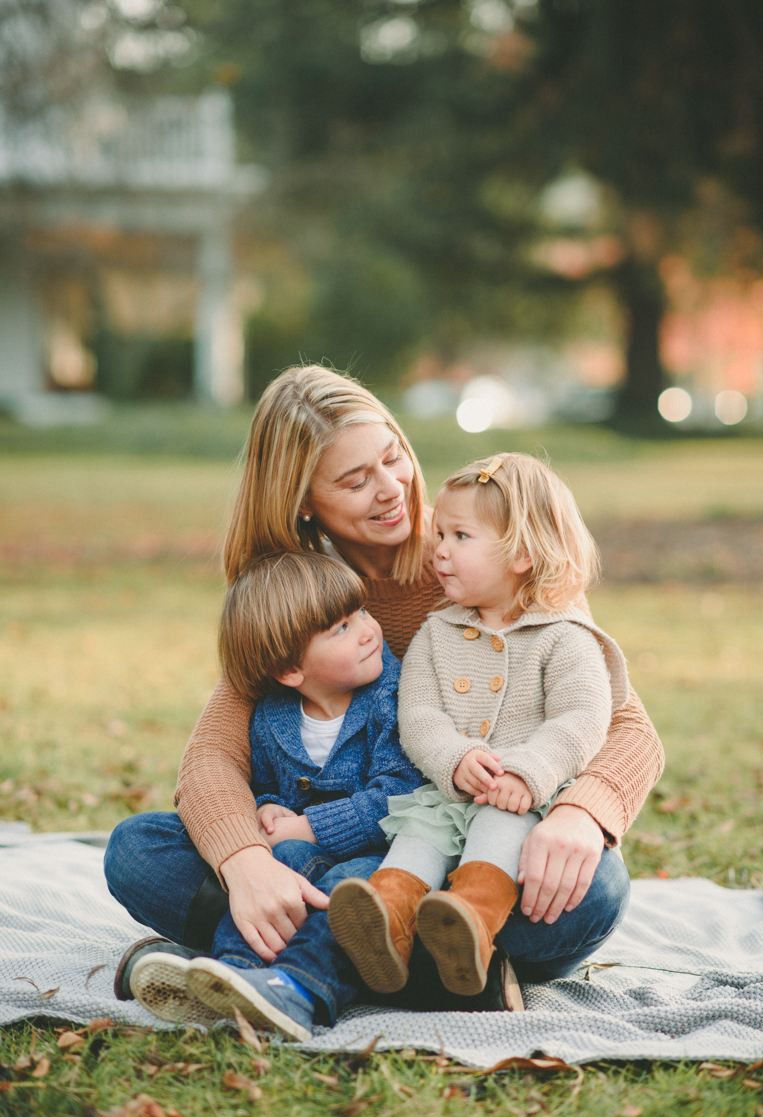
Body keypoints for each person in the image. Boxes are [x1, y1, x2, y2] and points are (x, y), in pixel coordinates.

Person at [105, 365, 664, 1032]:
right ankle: (436, 974)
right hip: (328, 851)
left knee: (594, 888)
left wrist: (580, 814)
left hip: (475, 845)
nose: (392, 487)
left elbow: (626, 726)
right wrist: (246, 864)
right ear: (303, 500)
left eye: (393, 456)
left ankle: (280, 955)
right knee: (138, 853)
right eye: (355, 479)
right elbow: (211, 756)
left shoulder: (490, 547)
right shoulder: (299, 593)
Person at [328, 453, 628, 999]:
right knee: (416, 843)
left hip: (522, 799)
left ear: (523, 555)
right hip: (448, 793)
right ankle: (384, 925)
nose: (438, 549)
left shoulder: (563, 635)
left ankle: (465, 927)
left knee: (498, 833)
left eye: (460, 535)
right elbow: (417, 714)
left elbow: (583, 717)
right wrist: (453, 758)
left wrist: (529, 772)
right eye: (439, 532)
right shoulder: (436, 631)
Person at [127, 550, 425, 1039]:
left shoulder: (395, 695)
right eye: (342, 629)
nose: (369, 629)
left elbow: (402, 797)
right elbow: (261, 783)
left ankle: (295, 987)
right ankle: (235, 980)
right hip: (290, 863)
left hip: (379, 859)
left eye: (362, 613)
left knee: (354, 893)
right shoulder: (272, 716)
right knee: (142, 844)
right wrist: (265, 807)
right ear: (289, 670)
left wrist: (306, 827)